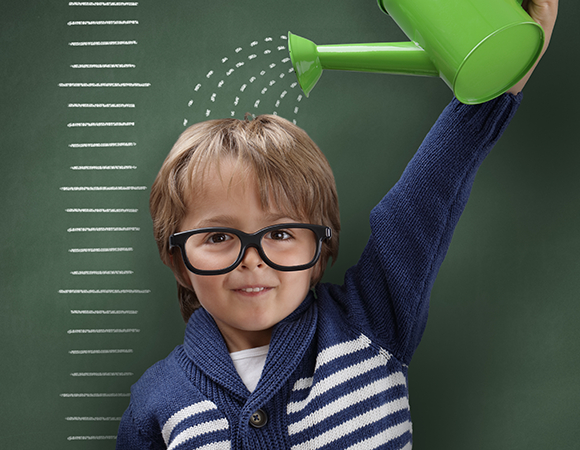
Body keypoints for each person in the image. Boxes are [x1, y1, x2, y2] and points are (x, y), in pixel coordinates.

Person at [116, 1, 558, 448]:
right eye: (217, 236)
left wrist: (505, 72)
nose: (252, 261)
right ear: (178, 260)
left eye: (281, 233)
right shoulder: (155, 404)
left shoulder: (371, 323)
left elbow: (427, 196)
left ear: (320, 251)